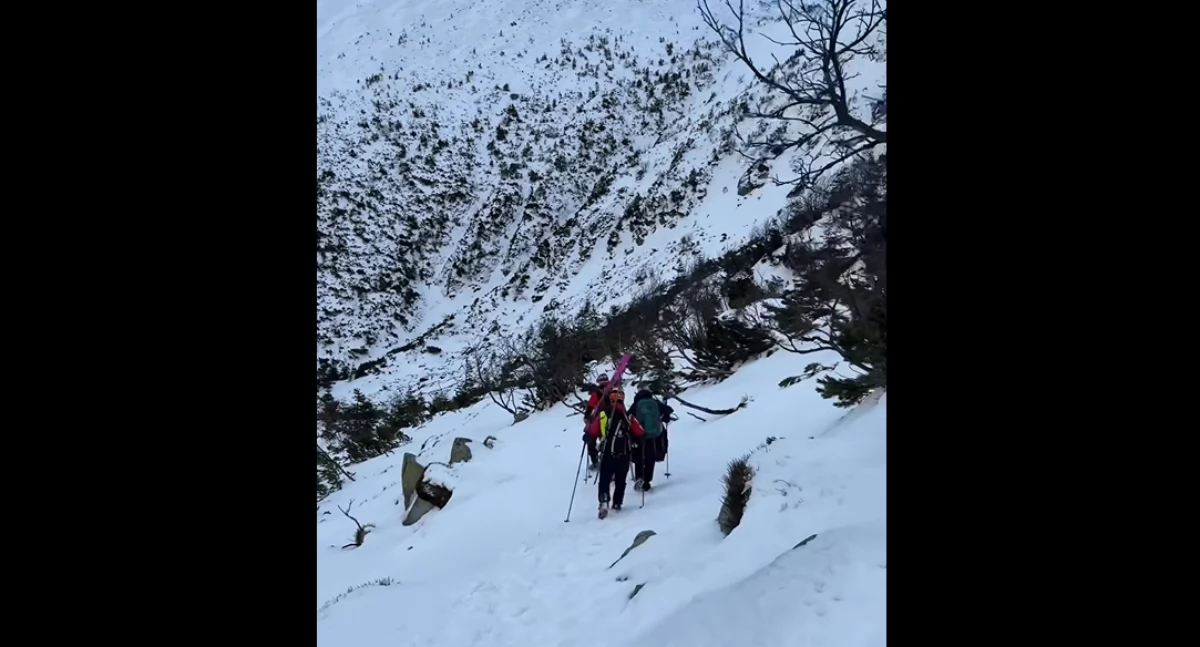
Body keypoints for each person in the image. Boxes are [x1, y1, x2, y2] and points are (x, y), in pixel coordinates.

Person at [585, 387, 644, 515]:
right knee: (620, 480)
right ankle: (617, 503)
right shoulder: (628, 416)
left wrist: (588, 436)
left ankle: (604, 501)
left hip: (607, 452)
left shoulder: (603, 415)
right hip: (624, 453)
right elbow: (640, 432)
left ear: (610, 399)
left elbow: (593, 432)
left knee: (605, 478)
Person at [630, 389, 674, 492]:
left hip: (639, 435)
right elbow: (668, 410)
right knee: (650, 457)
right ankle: (647, 481)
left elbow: (628, 416)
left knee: (639, 457)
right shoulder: (655, 403)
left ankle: (639, 478)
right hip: (654, 435)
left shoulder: (636, 405)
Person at [581, 373, 609, 470]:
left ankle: (595, 461)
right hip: (614, 418)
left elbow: (590, 406)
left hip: (599, 420)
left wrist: (587, 417)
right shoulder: (614, 390)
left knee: (591, 439)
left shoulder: (597, 393)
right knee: (608, 440)